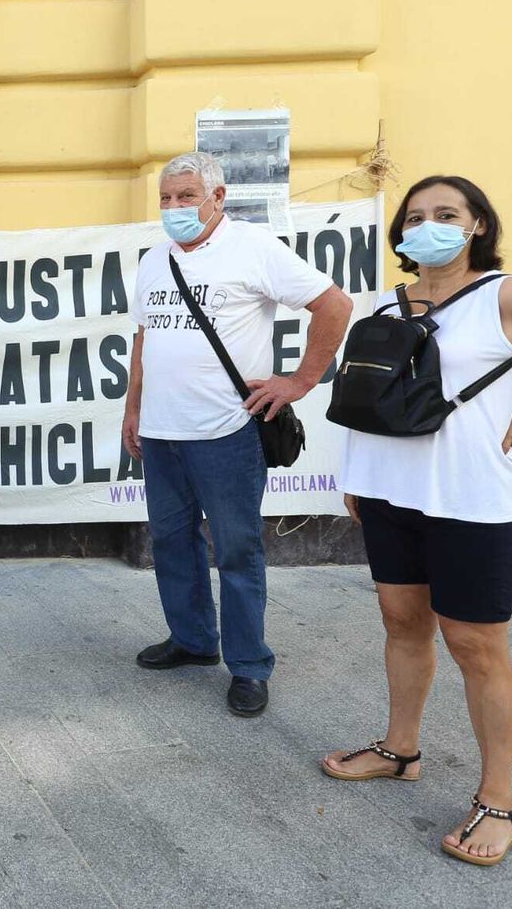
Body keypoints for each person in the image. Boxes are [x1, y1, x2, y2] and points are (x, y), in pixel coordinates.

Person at [322, 175, 512, 866]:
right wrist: (359, 478)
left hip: (474, 503)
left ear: (478, 224)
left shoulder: (508, 295)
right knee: (401, 623)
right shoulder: (385, 301)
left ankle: (498, 802)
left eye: (446, 214)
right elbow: (369, 394)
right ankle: (400, 749)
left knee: (477, 648)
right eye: (415, 216)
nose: (428, 226)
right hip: (390, 496)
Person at [123, 151, 353, 717]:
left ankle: (249, 666)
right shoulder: (154, 260)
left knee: (237, 551)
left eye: (186, 196)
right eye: (166, 198)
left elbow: (334, 304)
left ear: (217, 198)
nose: (174, 208)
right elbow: (143, 341)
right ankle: (194, 640)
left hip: (228, 434)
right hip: (161, 433)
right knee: (173, 543)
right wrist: (132, 411)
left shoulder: (253, 248)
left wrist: (300, 380)